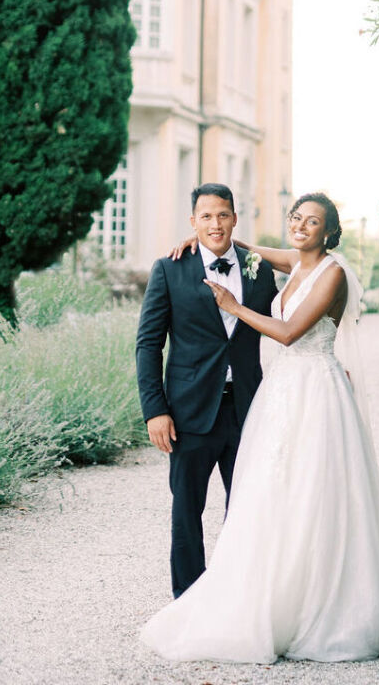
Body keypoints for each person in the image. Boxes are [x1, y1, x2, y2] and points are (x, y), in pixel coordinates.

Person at [140, 191, 379, 663]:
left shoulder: (323, 274)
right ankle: (208, 602)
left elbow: (290, 333)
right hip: (246, 402)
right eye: (296, 217)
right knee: (231, 507)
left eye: (312, 221)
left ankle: (307, 605)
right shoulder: (269, 263)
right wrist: (206, 233)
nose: (301, 225)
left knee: (296, 499)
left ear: (329, 231)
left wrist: (233, 304)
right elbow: (163, 328)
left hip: (293, 397)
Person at [135, 182, 278, 598]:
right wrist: (154, 410)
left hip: (249, 410)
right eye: (206, 216)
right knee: (186, 514)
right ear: (193, 221)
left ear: (235, 217)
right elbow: (148, 343)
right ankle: (189, 603)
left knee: (248, 511)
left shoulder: (259, 268)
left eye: (223, 215)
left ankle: (240, 600)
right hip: (187, 413)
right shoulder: (169, 269)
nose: (215, 224)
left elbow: (282, 323)